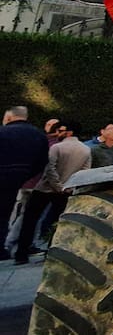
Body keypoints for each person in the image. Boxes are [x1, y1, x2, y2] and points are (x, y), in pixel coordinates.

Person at [16, 120, 91, 264]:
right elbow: (84, 171)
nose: (58, 133)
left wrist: (58, 185)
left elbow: (49, 168)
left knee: (29, 221)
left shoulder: (56, 147)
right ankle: (52, 253)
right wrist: (68, 186)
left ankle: (22, 254)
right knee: (58, 223)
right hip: (66, 191)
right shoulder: (85, 149)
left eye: (61, 130)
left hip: (45, 189)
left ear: (69, 132)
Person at [0, 107, 49, 261]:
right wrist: (26, 174)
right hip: (19, 177)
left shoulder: (2, 132)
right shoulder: (38, 135)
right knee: (4, 214)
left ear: (8, 118)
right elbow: (42, 161)